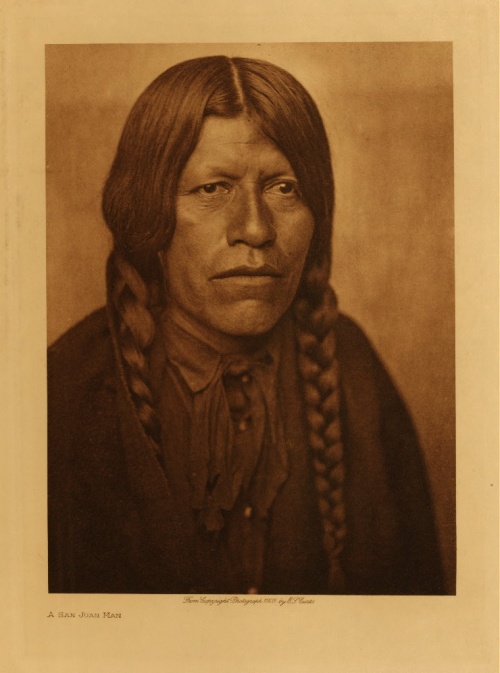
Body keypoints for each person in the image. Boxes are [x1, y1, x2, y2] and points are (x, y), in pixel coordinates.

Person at [48, 55, 445, 595]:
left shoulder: (351, 368)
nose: (256, 229)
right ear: (148, 215)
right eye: (213, 189)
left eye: (285, 188)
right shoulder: (66, 389)